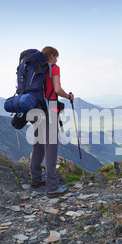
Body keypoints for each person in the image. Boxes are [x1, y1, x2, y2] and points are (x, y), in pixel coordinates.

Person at [30, 46, 75, 197]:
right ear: (52, 56)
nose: (57, 60)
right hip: (50, 107)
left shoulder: (35, 67)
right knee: (51, 146)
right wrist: (68, 96)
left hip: (35, 108)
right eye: (56, 57)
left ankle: (35, 179)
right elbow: (57, 89)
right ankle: (52, 187)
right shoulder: (54, 68)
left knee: (38, 144)